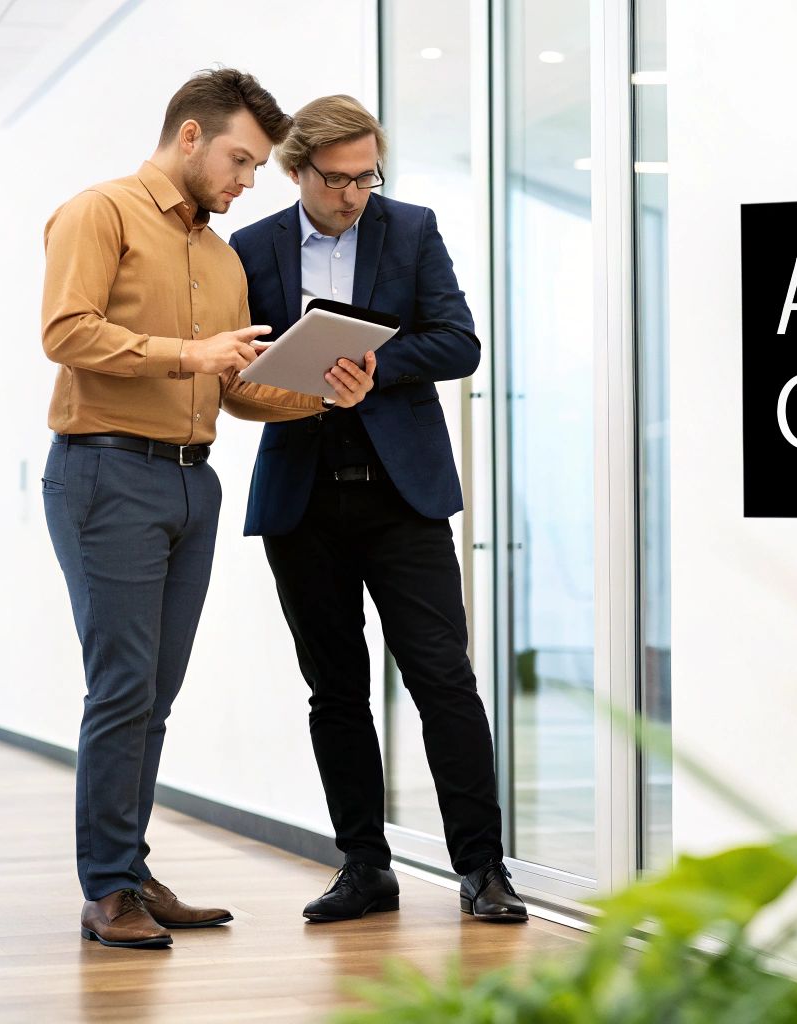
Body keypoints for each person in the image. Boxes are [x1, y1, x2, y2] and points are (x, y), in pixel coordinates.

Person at [223, 94, 527, 924]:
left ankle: (484, 870)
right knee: (336, 691)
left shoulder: (412, 228)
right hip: (302, 496)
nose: (354, 194)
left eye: (367, 177)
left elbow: (458, 341)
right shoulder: (248, 249)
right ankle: (365, 867)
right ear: (298, 170)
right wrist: (289, 371)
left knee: (444, 682)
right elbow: (236, 369)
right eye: (337, 180)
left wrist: (373, 363)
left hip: (403, 495)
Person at [40, 68, 302, 949]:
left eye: (258, 167)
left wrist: (320, 390)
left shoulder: (221, 257)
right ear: (189, 136)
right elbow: (66, 332)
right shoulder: (100, 212)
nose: (246, 181)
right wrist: (189, 352)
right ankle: (106, 887)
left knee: (155, 691)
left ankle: (130, 868)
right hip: (106, 471)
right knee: (121, 686)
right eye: (240, 158)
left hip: (195, 479)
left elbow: (234, 389)